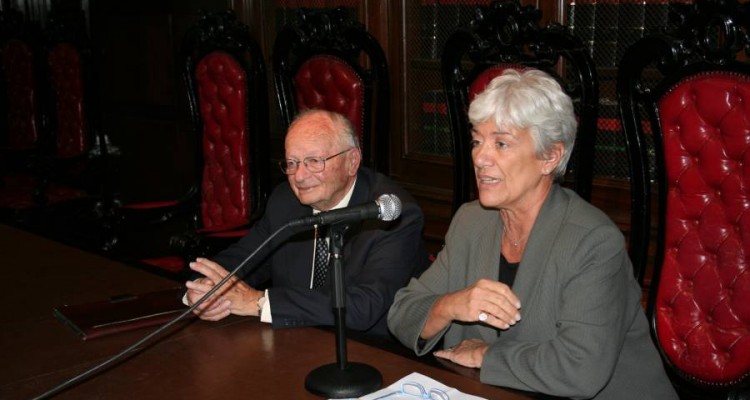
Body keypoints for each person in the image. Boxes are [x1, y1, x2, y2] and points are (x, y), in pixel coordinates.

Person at [387, 69, 678, 399]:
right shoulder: (472, 222)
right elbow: (402, 313)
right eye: (477, 141)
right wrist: (452, 304)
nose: (480, 157)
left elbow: (580, 368)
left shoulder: (593, 241)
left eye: (501, 143)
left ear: (550, 156)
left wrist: (486, 355)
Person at [184, 109, 428, 337]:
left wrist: (257, 301)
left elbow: (364, 306)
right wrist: (204, 289)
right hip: (296, 339)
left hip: (369, 353)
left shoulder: (393, 214)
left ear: (352, 161)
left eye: (313, 161)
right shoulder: (285, 201)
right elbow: (246, 258)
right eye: (292, 163)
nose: (299, 177)